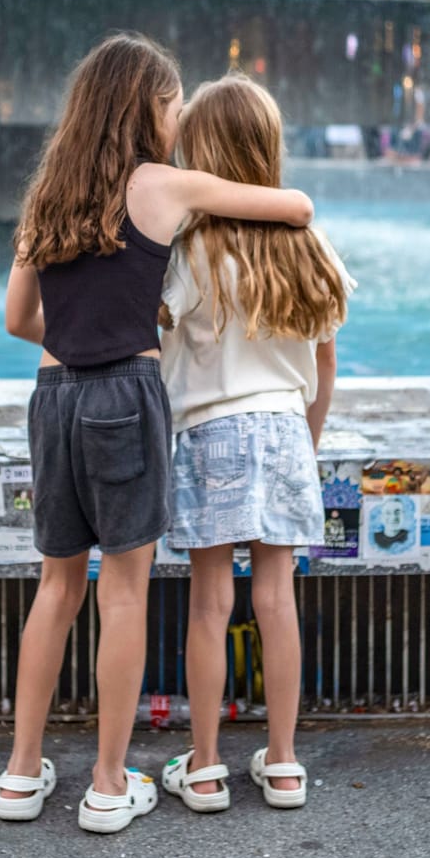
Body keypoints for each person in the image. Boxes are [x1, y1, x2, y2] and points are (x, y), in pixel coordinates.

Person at [0, 33, 314, 834]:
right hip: (123, 396)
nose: (176, 119)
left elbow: (17, 320)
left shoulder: (47, 194)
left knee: (56, 588)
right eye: (172, 105)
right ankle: (108, 781)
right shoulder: (163, 185)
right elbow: (294, 207)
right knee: (123, 591)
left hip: (52, 395)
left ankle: (20, 771)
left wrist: (77, 318)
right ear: (146, 104)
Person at [154, 73, 350, 817]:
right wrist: (309, 438)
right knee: (276, 597)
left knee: (210, 601)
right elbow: (325, 363)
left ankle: (205, 767)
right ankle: (286, 762)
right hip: (285, 429)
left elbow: (157, 338)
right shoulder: (307, 242)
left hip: (211, 433)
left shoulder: (192, 248)